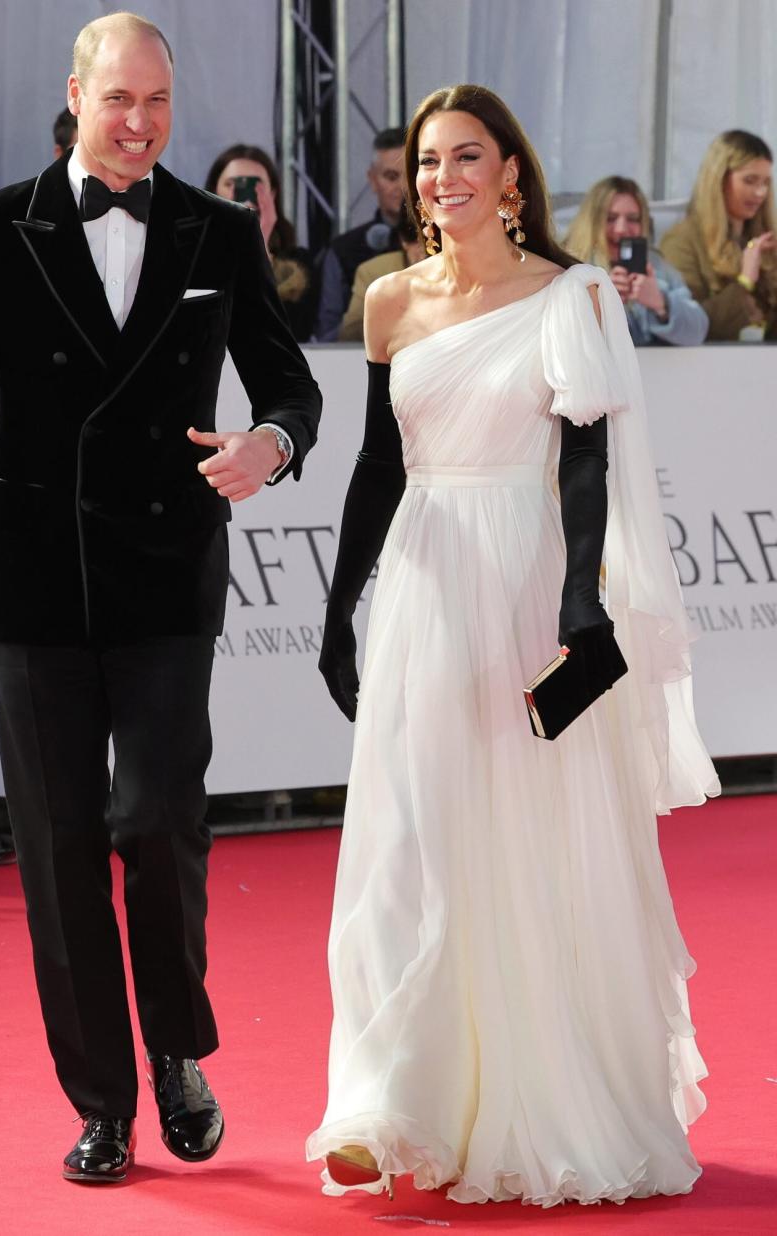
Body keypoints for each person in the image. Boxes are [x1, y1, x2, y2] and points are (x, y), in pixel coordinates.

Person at [0, 12, 321, 1186]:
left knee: (156, 824)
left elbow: (290, 383)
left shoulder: (217, 229)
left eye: (159, 103)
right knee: (59, 843)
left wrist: (271, 445)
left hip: (169, 570)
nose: (139, 125)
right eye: (118, 99)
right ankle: (104, 1101)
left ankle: (178, 1049)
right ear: (75, 94)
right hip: (34, 572)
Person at [306, 83, 719, 1207]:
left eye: (467, 157)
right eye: (430, 161)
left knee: (525, 836)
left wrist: (581, 599)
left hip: (527, 577)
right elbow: (376, 467)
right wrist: (342, 602)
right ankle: (389, 1099)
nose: (445, 178)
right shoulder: (388, 303)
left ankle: (542, 1092)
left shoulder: (569, 298)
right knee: (410, 832)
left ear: (513, 177)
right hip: (424, 588)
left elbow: (583, 462)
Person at [564, 175, 708, 346]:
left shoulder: (656, 266)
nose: (622, 229)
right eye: (610, 218)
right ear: (591, 223)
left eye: (632, 219)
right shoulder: (568, 267)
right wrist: (601, 301)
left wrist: (662, 304)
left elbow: (698, 331)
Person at [661, 130, 777, 340]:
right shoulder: (681, 242)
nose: (760, 192)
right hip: (708, 369)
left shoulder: (766, 240)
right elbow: (690, 325)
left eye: (765, 182)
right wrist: (746, 280)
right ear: (718, 179)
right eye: (750, 180)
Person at [204, 143, 316, 341]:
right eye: (231, 184)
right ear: (214, 190)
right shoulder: (192, 253)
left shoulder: (299, 263)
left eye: (255, 186)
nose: (241, 194)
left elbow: (297, 331)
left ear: (272, 193)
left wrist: (259, 247)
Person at [314, 127, 406, 340]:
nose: (402, 187)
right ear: (372, 180)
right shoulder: (343, 251)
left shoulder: (446, 242)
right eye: (391, 176)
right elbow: (326, 337)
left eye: (410, 174)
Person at [338, 204, 425, 341]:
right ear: (402, 240)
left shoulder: (461, 267)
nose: (424, 248)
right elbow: (349, 333)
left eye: (432, 238)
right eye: (413, 237)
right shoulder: (374, 272)